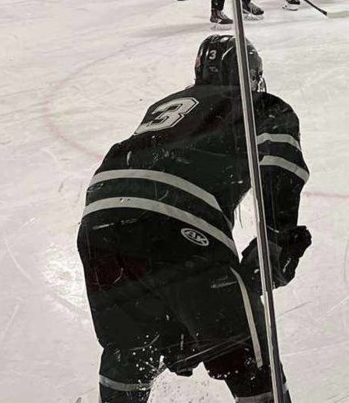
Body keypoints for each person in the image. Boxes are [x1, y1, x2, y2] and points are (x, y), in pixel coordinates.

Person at [77, 34, 311, 403]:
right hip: (174, 217)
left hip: (99, 219)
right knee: (249, 358)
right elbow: (281, 162)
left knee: (131, 346)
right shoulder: (257, 104)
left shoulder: (167, 105)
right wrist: (275, 238)